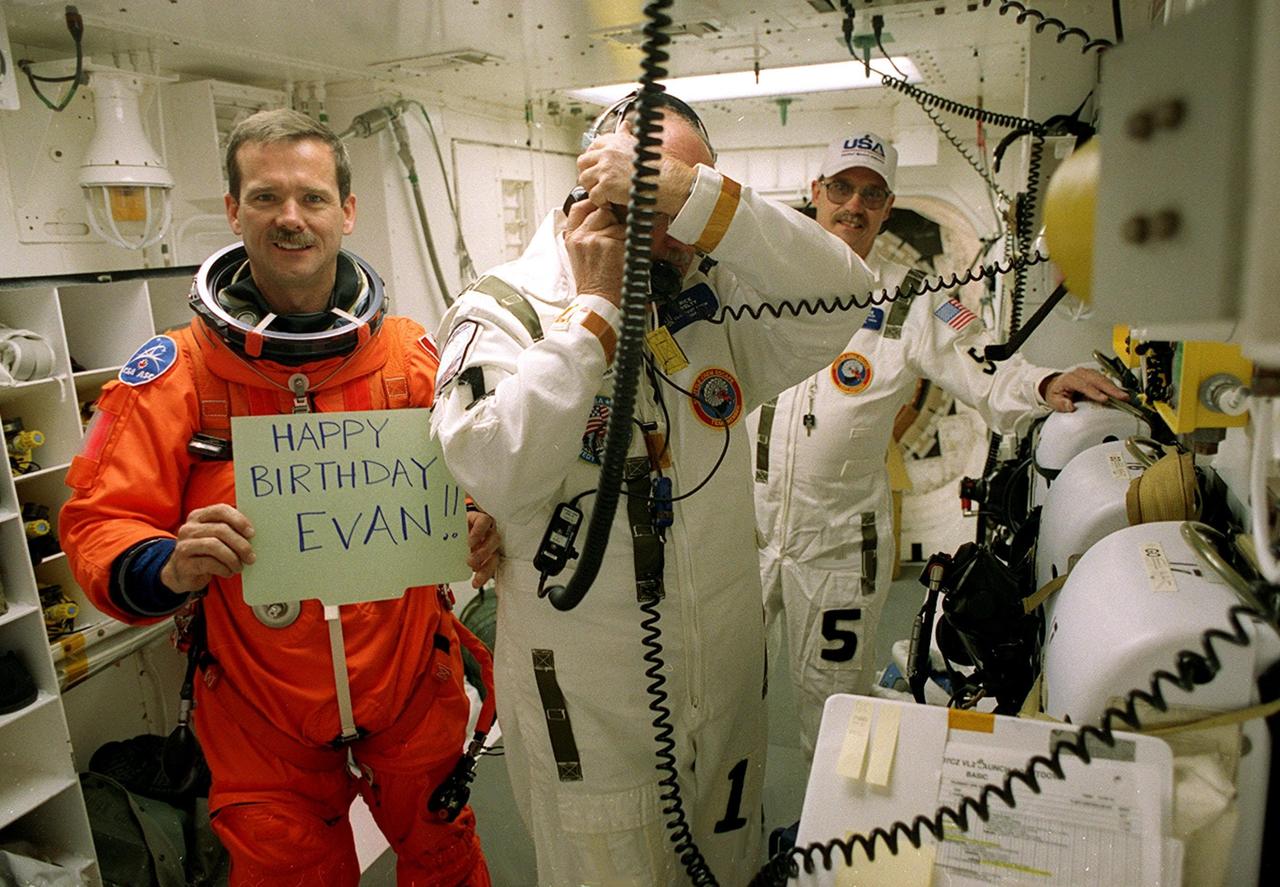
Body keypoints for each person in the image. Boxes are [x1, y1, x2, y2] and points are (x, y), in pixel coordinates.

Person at [430, 93, 882, 885]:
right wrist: (593, 317)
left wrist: (694, 196)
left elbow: (845, 297)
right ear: (591, 189)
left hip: (725, 697)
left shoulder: (709, 300)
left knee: (729, 863)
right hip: (598, 717)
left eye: (682, 203)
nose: (672, 235)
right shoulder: (505, 308)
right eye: (650, 202)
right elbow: (493, 464)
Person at [59, 108, 493, 887]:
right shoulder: (176, 374)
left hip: (408, 686)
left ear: (346, 211)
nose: (290, 217)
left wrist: (486, 522)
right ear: (233, 210)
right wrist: (169, 564)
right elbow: (98, 522)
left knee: (446, 862)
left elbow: (484, 476)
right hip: (260, 713)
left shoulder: (409, 357)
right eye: (265, 197)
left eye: (312, 197)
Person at [753, 133, 1128, 758]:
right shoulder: (765, 278)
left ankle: (836, 814)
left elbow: (982, 366)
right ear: (816, 192)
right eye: (841, 188)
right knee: (729, 687)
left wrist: (1043, 382)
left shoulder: (914, 299)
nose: (854, 205)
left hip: (840, 543)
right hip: (750, 530)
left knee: (834, 703)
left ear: (887, 207)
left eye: (871, 194)